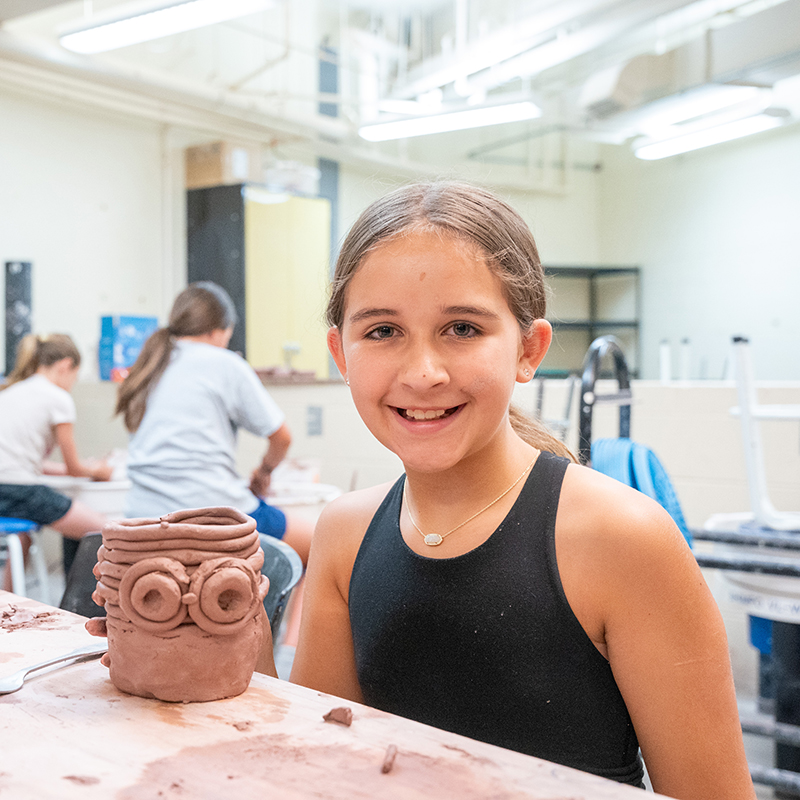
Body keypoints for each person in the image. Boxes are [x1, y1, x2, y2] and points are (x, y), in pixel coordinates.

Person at [280, 182, 754, 798]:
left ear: (529, 350)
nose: (424, 372)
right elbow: (326, 765)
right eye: (382, 332)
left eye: (462, 328)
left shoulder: (619, 539)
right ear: (340, 353)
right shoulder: (345, 534)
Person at [115, 281, 313, 565]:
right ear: (219, 331)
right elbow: (282, 437)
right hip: (211, 515)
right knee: (321, 550)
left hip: (143, 518)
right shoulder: (225, 363)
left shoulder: (148, 366)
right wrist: (263, 472)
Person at [0, 334, 111, 591]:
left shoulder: (10, 392)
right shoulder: (58, 398)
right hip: (19, 490)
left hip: (6, 489)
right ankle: (77, 606)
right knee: (103, 530)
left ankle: (6, 602)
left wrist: (85, 468)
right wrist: (97, 470)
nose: (72, 384)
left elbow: (31, 462)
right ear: (65, 365)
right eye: (74, 376)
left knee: (24, 536)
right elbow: (74, 469)